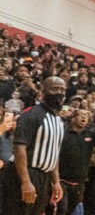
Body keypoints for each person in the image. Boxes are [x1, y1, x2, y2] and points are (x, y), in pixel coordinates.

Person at [1, 76, 66, 215]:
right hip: (24, 173)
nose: (59, 93)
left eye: (62, 90)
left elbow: (54, 153)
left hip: (44, 176)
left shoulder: (59, 120)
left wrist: (56, 182)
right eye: (55, 89)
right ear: (43, 92)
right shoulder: (31, 115)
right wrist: (25, 181)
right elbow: (19, 148)